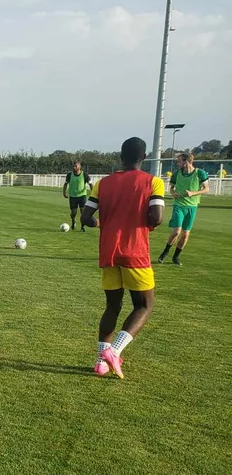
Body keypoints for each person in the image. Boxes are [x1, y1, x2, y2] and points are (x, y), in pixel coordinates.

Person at [81, 137, 164, 379]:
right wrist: (143, 225)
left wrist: (103, 225)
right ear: (145, 158)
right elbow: (157, 217)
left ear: (120, 156)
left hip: (108, 251)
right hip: (135, 251)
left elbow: (86, 218)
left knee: (113, 305)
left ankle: (100, 362)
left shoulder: (103, 183)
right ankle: (114, 351)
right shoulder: (153, 182)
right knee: (144, 305)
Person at [157, 152, 209, 266]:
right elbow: (171, 188)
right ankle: (165, 252)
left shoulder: (200, 173)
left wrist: (193, 193)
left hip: (192, 207)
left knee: (185, 234)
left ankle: (176, 257)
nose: (177, 163)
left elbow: (206, 189)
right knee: (176, 232)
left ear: (186, 161)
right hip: (179, 205)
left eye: (179, 161)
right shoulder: (176, 174)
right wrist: (173, 193)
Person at [62, 160, 92, 232]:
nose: (74, 167)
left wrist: (93, 193)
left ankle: (82, 227)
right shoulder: (69, 175)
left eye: (76, 165)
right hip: (72, 196)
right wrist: (64, 192)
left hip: (82, 196)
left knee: (83, 212)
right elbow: (66, 184)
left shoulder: (85, 175)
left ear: (79, 166)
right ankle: (73, 221)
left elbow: (90, 184)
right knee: (73, 212)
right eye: (73, 166)